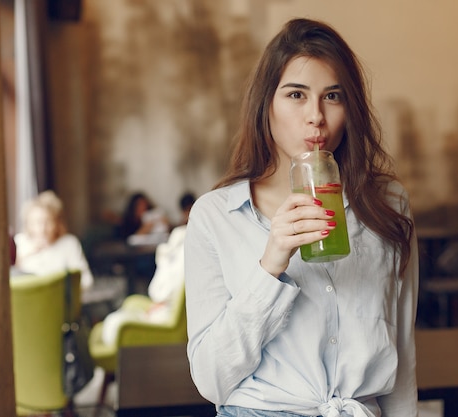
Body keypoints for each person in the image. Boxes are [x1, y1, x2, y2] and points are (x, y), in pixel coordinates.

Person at [184, 18, 418, 417]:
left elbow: (404, 356)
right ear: (266, 105)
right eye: (296, 94)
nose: (316, 117)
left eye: (333, 96)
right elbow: (211, 380)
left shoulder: (387, 205)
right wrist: (271, 265)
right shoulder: (216, 217)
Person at [100, 223, 187, 345]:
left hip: (165, 314)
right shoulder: (175, 246)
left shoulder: (183, 249)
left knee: (114, 323)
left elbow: (165, 292)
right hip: (160, 307)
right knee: (112, 321)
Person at [14, 190, 94, 290]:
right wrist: (26, 255)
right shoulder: (20, 242)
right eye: (36, 222)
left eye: (47, 222)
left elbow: (86, 280)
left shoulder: (69, 243)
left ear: (57, 223)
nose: (42, 229)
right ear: (28, 223)